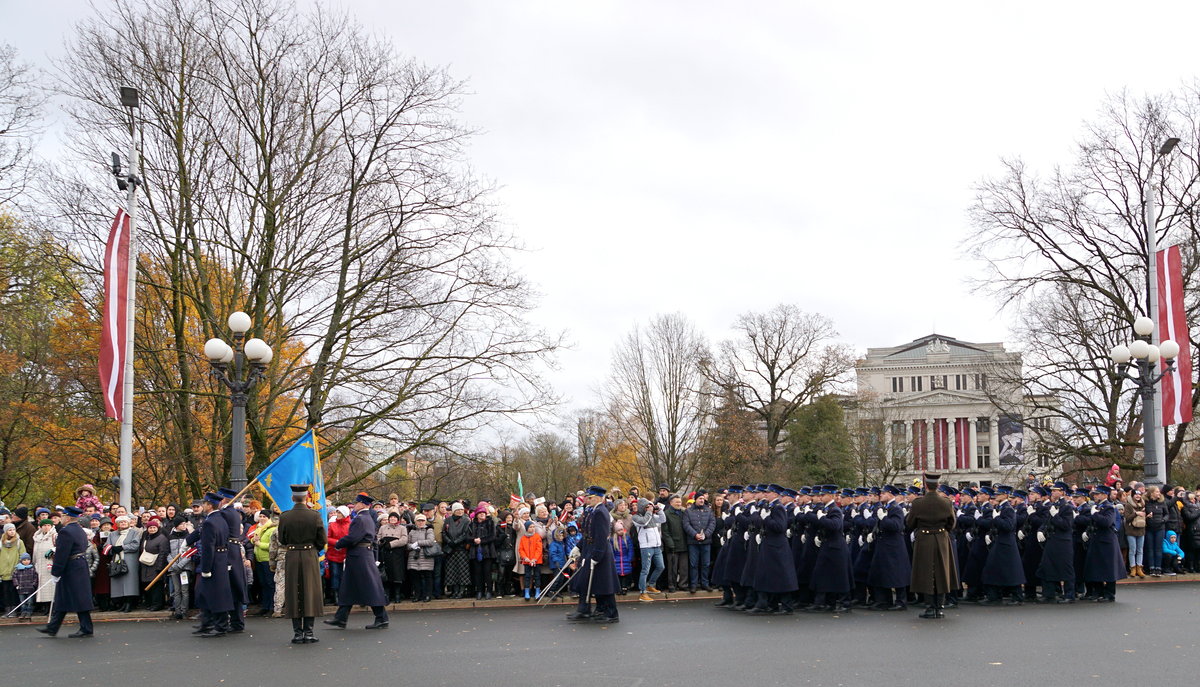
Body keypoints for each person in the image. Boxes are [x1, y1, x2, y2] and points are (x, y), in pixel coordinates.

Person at [325, 493, 389, 630]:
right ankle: (341, 618)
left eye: (357, 503)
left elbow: (352, 537)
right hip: (361, 555)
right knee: (349, 587)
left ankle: (381, 617)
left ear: (364, 504)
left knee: (369, 586)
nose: (354, 505)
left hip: (359, 557)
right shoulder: (367, 518)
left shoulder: (360, 519)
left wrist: (338, 543)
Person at [276, 484, 326, 645]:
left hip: (291, 555)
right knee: (309, 592)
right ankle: (309, 632)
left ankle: (298, 633)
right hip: (309, 555)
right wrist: (313, 548)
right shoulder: (314, 515)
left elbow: (282, 539)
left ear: (292, 498)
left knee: (294, 592)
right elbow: (322, 540)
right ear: (306, 498)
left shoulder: (285, 516)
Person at [35, 506, 95, 638]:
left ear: (67, 517)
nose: (61, 518)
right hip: (79, 565)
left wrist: (56, 571)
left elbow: (62, 553)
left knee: (77, 598)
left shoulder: (65, 531)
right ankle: (53, 627)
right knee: (64, 597)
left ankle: (86, 628)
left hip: (71, 567)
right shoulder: (79, 530)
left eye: (63, 516)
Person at [906, 473, 958, 619]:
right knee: (942, 572)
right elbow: (951, 524)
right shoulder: (946, 502)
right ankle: (939, 607)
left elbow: (910, 524)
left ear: (926, 486)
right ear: (938, 486)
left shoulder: (917, 503)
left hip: (924, 539)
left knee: (926, 573)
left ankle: (929, 608)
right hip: (941, 538)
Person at [565, 486, 620, 624]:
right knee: (592, 582)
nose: (587, 499)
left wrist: (597, 556)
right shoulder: (591, 510)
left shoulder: (601, 512)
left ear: (599, 498)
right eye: (587, 497)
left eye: (590, 497)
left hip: (599, 551)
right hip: (589, 549)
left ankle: (611, 613)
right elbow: (588, 533)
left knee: (604, 583)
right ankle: (594, 609)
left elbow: (601, 536)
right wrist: (578, 547)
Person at [192, 492, 234, 638]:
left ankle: (220, 625)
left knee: (216, 594)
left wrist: (206, 568)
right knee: (206, 593)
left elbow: (208, 547)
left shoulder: (210, 522)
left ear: (209, 505)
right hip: (221, 559)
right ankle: (207, 622)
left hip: (214, 561)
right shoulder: (220, 519)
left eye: (204, 503)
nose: (203, 506)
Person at [632, 497, 666, 602]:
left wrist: (659, 510)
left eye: (649, 506)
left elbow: (662, 519)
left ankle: (650, 585)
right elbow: (643, 522)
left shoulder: (650, 515)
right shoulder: (636, 517)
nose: (649, 508)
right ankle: (643, 592)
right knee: (645, 570)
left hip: (656, 546)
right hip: (646, 547)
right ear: (642, 507)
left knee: (661, 566)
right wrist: (649, 512)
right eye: (647, 506)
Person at [682, 490, 716, 592]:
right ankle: (693, 584)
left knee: (706, 564)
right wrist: (695, 535)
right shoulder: (688, 511)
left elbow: (712, 524)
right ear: (695, 499)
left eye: (702, 498)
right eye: (699, 498)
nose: (702, 500)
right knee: (693, 564)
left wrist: (705, 535)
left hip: (706, 542)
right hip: (693, 542)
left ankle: (705, 583)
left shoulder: (708, 511)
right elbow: (686, 525)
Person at [138, 518, 170, 611]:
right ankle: (151, 603)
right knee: (148, 585)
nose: (152, 529)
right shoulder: (146, 538)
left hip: (156, 565)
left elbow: (163, 553)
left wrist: (160, 567)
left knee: (157, 586)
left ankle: (158, 604)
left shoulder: (162, 538)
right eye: (150, 528)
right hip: (145, 565)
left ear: (157, 528)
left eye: (154, 527)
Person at [377, 511, 409, 603]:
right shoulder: (383, 528)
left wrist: (391, 544)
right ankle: (387, 595)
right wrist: (381, 542)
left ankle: (397, 595)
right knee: (386, 575)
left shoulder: (402, 528)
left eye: (394, 518)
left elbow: (404, 539)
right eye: (391, 518)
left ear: (398, 519)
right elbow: (378, 537)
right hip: (385, 553)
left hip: (397, 554)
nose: (393, 519)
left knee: (397, 575)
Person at [466, 507, 497, 600]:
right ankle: (480, 591)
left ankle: (489, 591)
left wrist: (482, 540)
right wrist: (473, 540)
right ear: (476, 515)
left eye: (483, 513)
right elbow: (467, 537)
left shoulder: (490, 523)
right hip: (475, 551)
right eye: (480, 513)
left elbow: (493, 536)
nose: (482, 514)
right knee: (477, 572)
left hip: (487, 551)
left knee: (487, 572)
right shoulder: (471, 524)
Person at [167, 516, 194, 619]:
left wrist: (181, 564)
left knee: (184, 590)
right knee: (176, 590)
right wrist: (173, 564)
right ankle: (177, 611)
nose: (184, 526)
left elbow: (190, 553)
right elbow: (167, 553)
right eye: (182, 524)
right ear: (177, 525)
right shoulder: (170, 537)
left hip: (185, 567)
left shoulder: (189, 537)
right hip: (173, 568)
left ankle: (184, 611)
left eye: (185, 524)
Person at [250, 510, 276, 615]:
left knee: (270, 583)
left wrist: (259, 544)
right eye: (260, 516)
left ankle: (271, 606)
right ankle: (265, 606)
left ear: (269, 518)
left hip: (267, 559)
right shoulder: (258, 527)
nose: (262, 518)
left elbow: (272, 545)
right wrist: (254, 541)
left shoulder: (272, 529)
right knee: (263, 584)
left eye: (264, 516)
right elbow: (254, 540)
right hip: (259, 559)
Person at [407, 513, 437, 602]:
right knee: (415, 577)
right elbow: (407, 543)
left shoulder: (429, 530)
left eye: (422, 520)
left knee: (428, 576)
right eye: (419, 520)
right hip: (414, 556)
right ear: (415, 521)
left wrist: (418, 543)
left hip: (425, 556)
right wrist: (411, 546)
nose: (420, 522)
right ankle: (417, 595)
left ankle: (428, 595)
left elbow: (430, 541)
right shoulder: (412, 531)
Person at [661, 495, 689, 592]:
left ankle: (683, 584)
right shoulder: (666, 514)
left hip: (684, 544)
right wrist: (670, 544)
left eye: (680, 502)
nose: (679, 504)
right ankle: (671, 585)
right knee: (672, 567)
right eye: (676, 502)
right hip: (672, 546)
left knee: (684, 567)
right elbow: (665, 532)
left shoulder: (684, 512)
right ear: (671, 503)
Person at [11, 551, 37, 620]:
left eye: (28, 560)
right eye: (24, 560)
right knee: (22, 602)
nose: (26, 561)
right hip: (21, 588)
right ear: (21, 561)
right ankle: (23, 612)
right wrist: (16, 584)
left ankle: (29, 612)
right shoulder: (18, 569)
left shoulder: (32, 568)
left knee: (30, 601)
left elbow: (35, 577)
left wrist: (34, 585)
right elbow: (14, 577)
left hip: (30, 588)